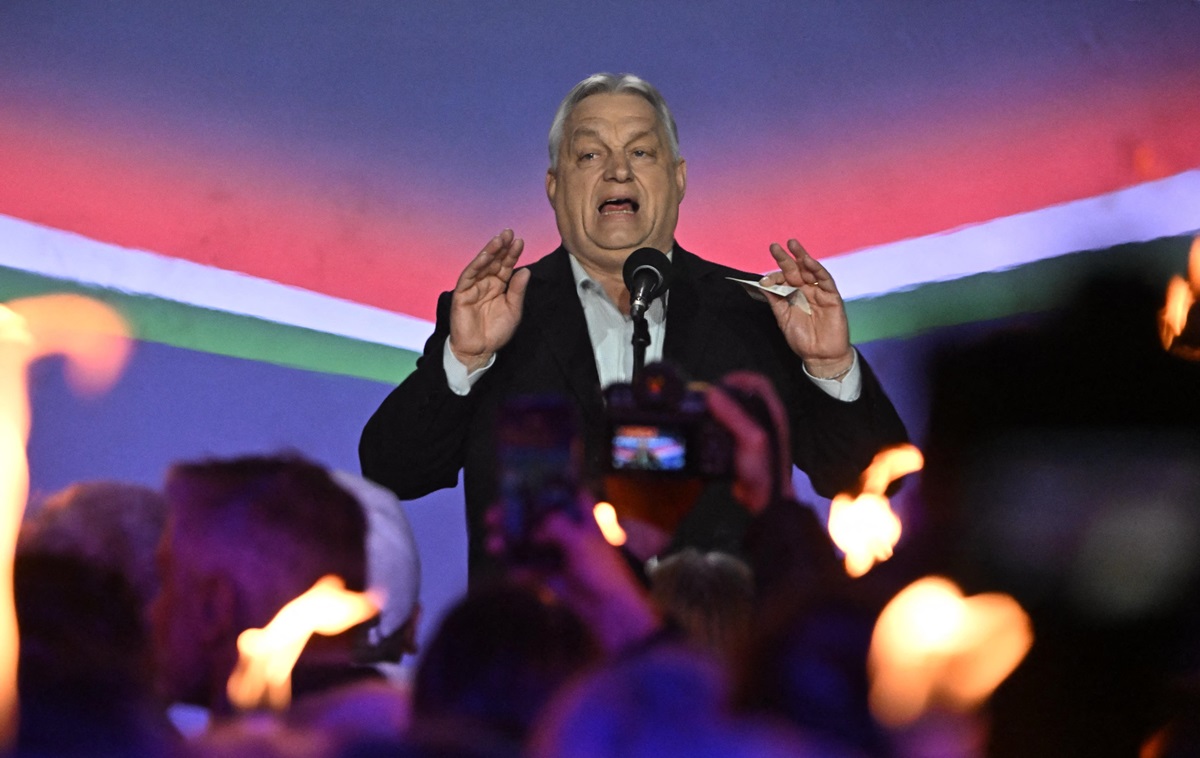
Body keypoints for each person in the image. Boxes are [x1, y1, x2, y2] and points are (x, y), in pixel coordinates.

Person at [360, 72, 908, 582]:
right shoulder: (496, 314)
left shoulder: (758, 311)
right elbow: (395, 470)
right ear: (554, 185)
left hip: (719, 642)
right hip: (549, 643)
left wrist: (829, 366)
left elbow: (867, 479)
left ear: (678, 178)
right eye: (590, 154)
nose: (618, 171)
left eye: (641, 152)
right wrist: (465, 360)